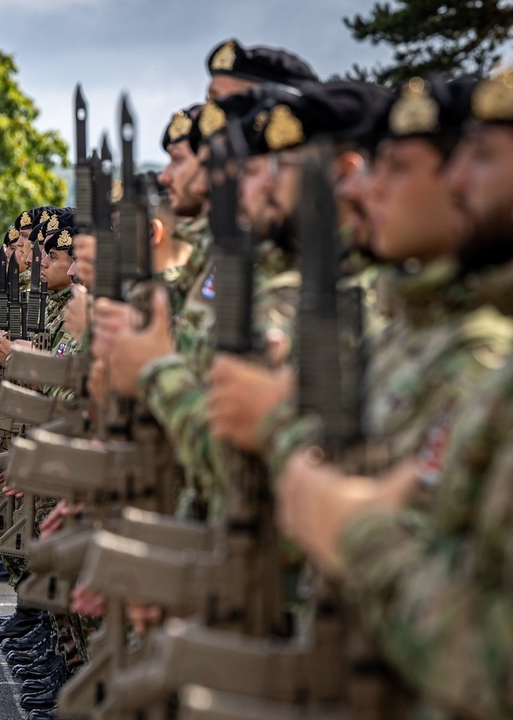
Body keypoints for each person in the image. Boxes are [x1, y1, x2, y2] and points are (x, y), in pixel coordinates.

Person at [277, 70, 513, 719]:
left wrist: (357, 532)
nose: (462, 179)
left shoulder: (481, 352)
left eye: (485, 155)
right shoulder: (424, 333)